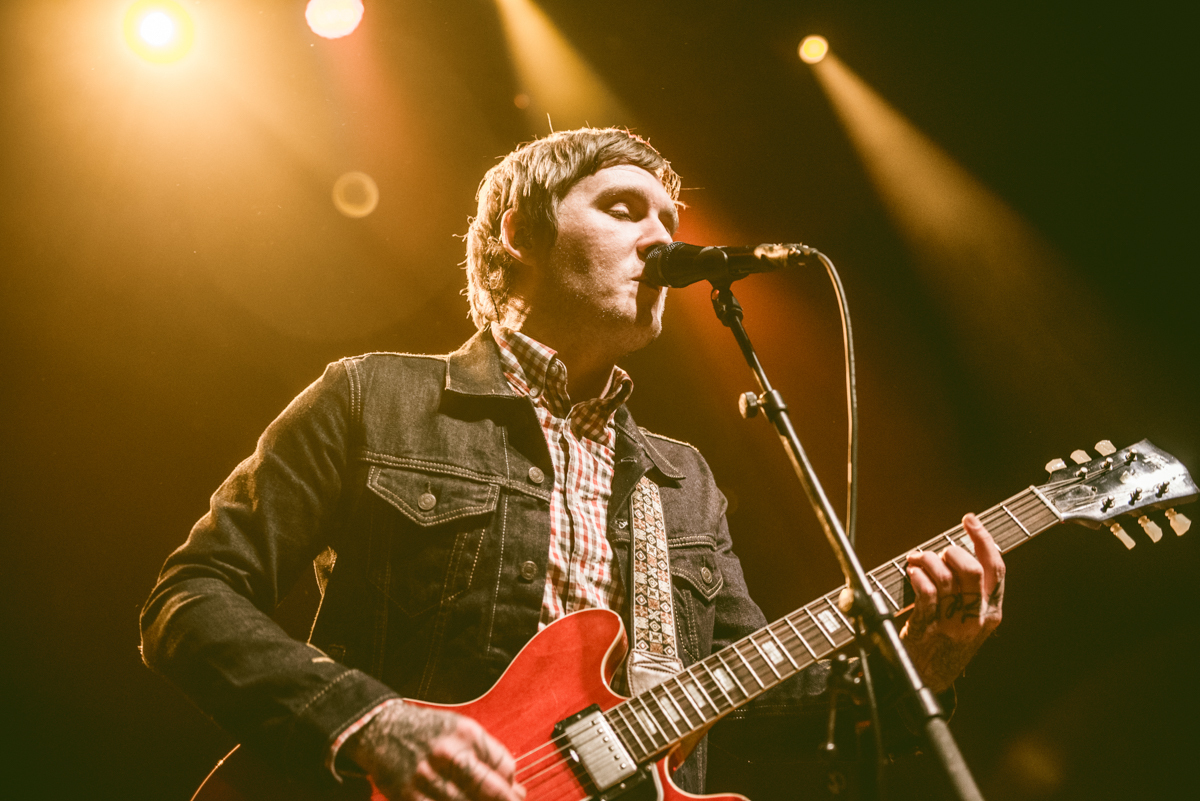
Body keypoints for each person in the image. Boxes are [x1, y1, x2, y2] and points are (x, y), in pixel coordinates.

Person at [141, 127, 1004, 801]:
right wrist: (371, 722)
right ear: (519, 232)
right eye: (626, 209)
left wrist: (924, 662)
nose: (661, 241)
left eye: (670, 222)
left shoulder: (682, 481)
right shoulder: (377, 396)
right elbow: (191, 596)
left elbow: (752, 701)